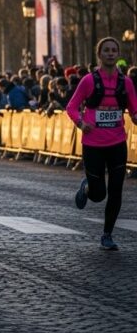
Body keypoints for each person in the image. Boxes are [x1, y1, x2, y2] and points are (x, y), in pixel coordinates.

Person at [66, 37, 137, 250]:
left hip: (117, 143)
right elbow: (71, 107)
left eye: (114, 50)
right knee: (99, 195)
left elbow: (134, 110)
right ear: (100, 54)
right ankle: (88, 188)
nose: (110, 53)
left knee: (116, 190)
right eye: (106, 50)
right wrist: (81, 123)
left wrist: (135, 116)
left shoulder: (126, 83)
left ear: (118, 54)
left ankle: (107, 235)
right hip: (93, 144)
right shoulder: (88, 81)